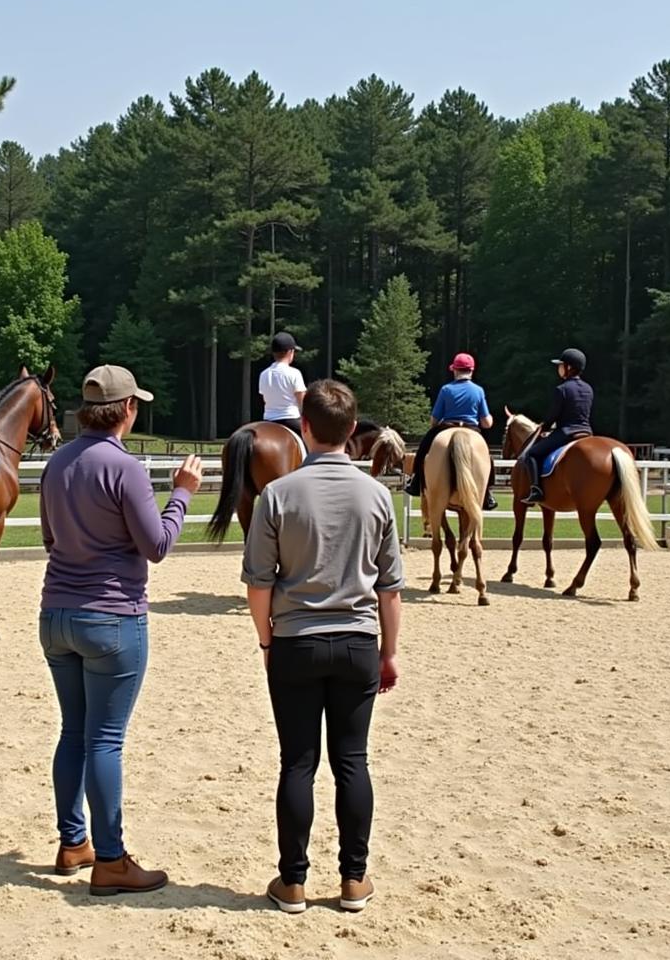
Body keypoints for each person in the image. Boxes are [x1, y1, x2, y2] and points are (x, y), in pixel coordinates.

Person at [38, 364, 204, 896]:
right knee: (105, 741)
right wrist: (182, 493)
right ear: (127, 408)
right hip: (111, 614)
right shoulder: (124, 467)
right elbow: (156, 545)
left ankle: (73, 842)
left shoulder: (55, 463)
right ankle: (110, 859)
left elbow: (49, 539)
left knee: (73, 732)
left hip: (56, 612)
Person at [241, 379, 404, 915]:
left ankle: (292, 883)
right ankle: (354, 880)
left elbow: (258, 584)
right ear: (353, 431)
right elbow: (389, 587)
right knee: (353, 761)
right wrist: (390, 651)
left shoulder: (277, 495)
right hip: (358, 639)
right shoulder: (378, 496)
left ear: (304, 427)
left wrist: (267, 640)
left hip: (296, 641)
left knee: (298, 763)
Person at [404, 352, 498, 510]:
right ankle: (487, 493)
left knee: (423, 449)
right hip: (472, 428)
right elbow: (487, 422)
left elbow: (434, 421)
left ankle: (416, 481)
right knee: (487, 458)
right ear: (472, 371)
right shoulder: (479, 391)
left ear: (455, 370)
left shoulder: (446, 389)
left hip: (447, 426)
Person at [520, 348, 594, 504]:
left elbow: (554, 415)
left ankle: (536, 489)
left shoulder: (562, 389)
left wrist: (544, 427)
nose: (558, 368)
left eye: (561, 365)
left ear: (568, 367)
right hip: (586, 431)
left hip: (567, 432)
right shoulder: (588, 389)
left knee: (531, 455)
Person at [258, 331, 307, 437]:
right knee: (310, 441)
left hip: (268, 420)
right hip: (290, 419)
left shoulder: (264, 374)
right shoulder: (294, 373)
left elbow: (265, 398)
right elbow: (302, 401)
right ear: (290, 352)